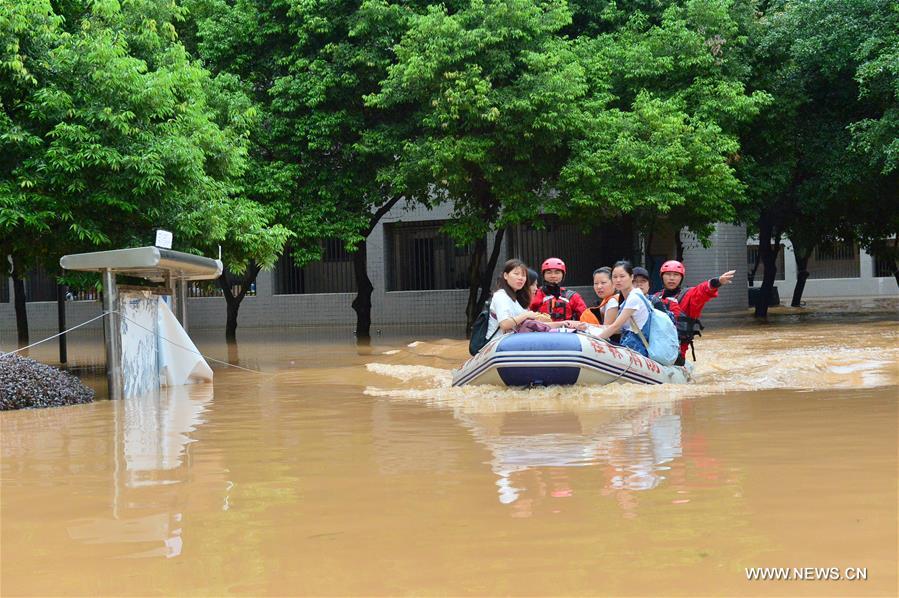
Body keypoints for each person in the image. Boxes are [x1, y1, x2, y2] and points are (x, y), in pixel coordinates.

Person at [652, 260, 736, 362]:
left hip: (676, 352)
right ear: (662, 276)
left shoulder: (689, 296)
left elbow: (702, 291)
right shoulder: (655, 298)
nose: (672, 278)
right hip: (654, 347)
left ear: (681, 278)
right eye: (668, 274)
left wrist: (717, 282)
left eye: (676, 275)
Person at [596, 261, 652, 357]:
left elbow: (615, 326)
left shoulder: (634, 298)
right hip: (633, 345)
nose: (618, 280)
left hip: (638, 348)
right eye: (614, 277)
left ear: (631, 277)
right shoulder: (629, 297)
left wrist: (595, 340)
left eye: (622, 276)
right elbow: (618, 328)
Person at [486, 259, 542, 340]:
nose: (520, 278)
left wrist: (561, 323)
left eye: (523, 275)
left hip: (512, 341)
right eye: (516, 274)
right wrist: (526, 315)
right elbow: (505, 324)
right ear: (505, 275)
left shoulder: (516, 298)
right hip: (498, 343)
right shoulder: (501, 295)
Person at [530, 257, 588, 321]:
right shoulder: (536, 294)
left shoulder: (573, 296)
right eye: (549, 272)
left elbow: (585, 318)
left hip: (567, 330)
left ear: (563, 275)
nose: (553, 276)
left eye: (557, 273)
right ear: (543, 275)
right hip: (543, 330)